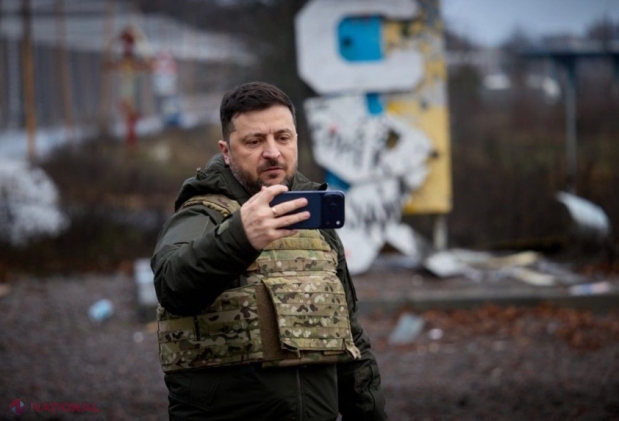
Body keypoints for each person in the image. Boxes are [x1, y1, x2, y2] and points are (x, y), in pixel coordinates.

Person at [151, 81, 387, 421]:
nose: (273, 152)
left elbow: (352, 341)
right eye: (255, 141)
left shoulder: (313, 221)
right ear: (226, 151)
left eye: (283, 137)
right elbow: (171, 284)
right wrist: (240, 236)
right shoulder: (202, 214)